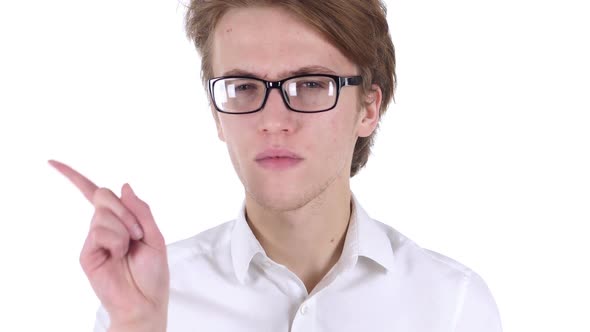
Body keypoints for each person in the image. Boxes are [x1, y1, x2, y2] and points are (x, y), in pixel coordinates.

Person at [49, 0, 502, 331]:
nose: (273, 121)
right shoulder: (147, 300)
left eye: (310, 84)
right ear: (216, 115)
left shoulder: (452, 305)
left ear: (368, 108)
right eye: (243, 87)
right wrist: (136, 322)